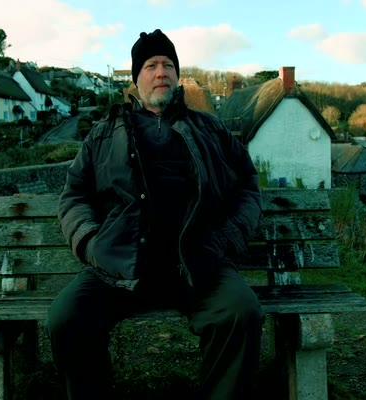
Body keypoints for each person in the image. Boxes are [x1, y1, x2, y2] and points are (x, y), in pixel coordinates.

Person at [47, 28, 263, 399]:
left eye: (168, 65)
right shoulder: (103, 135)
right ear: (137, 78)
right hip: (118, 266)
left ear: (177, 75)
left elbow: (248, 185)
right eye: (151, 65)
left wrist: (226, 238)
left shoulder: (211, 129)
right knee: (66, 318)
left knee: (241, 312)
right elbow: (74, 194)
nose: (161, 72)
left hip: (197, 264)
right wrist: (90, 241)